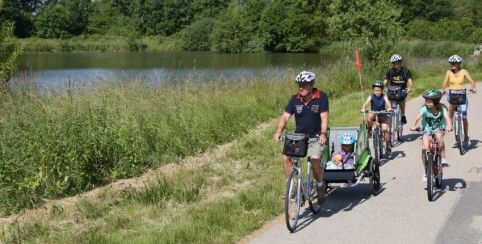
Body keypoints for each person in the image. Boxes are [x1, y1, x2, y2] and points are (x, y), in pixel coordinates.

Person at [273, 70, 329, 202]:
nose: (301, 87)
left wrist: (323, 133)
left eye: (304, 84)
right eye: (299, 84)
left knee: (314, 159)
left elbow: (324, 117)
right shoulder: (295, 99)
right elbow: (285, 116)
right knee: (286, 157)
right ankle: (293, 186)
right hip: (300, 137)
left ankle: (320, 185)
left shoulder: (321, 97)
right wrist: (278, 131)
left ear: (311, 85)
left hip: (316, 136)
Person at [409, 88, 452, 181]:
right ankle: (426, 170)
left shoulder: (442, 108)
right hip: (427, 130)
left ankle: (443, 158)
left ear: (436, 102)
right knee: (424, 149)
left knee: (439, 137)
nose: (427, 103)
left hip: (439, 129)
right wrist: (413, 125)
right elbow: (417, 118)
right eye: (426, 101)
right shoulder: (424, 109)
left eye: (429, 102)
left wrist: (449, 126)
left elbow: (447, 118)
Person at [441, 54, 477, 146]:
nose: (453, 64)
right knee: (452, 106)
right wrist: (444, 89)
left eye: (455, 63)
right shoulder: (448, 72)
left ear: (459, 63)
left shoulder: (464, 71)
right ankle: (450, 123)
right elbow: (444, 82)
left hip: (462, 95)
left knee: (464, 116)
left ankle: (466, 136)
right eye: (452, 63)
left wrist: (473, 88)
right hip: (452, 94)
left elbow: (472, 81)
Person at [360, 80, 393, 152]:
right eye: (375, 90)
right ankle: (369, 130)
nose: (377, 92)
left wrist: (389, 108)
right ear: (373, 90)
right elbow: (365, 104)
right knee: (370, 115)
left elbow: (388, 104)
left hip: (383, 114)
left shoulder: (384, 96)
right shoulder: (371, 96)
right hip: (374, 114)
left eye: (379, 90)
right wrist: (363, 108)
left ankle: (387, 144)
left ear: (382, 90)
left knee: (385, 130)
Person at [383, 54, 413, 124]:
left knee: (401, 99)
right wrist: (381, 87)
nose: (396, 65)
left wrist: (409, 88)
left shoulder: (405, 71)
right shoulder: (390, 71)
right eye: (394, 64)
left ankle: (402, 115)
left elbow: (410, 81)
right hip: (392, 90)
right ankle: (388, 118)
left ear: (400, 62)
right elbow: (386, 81)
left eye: (397, 63)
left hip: (402, 89)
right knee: (389, 101)